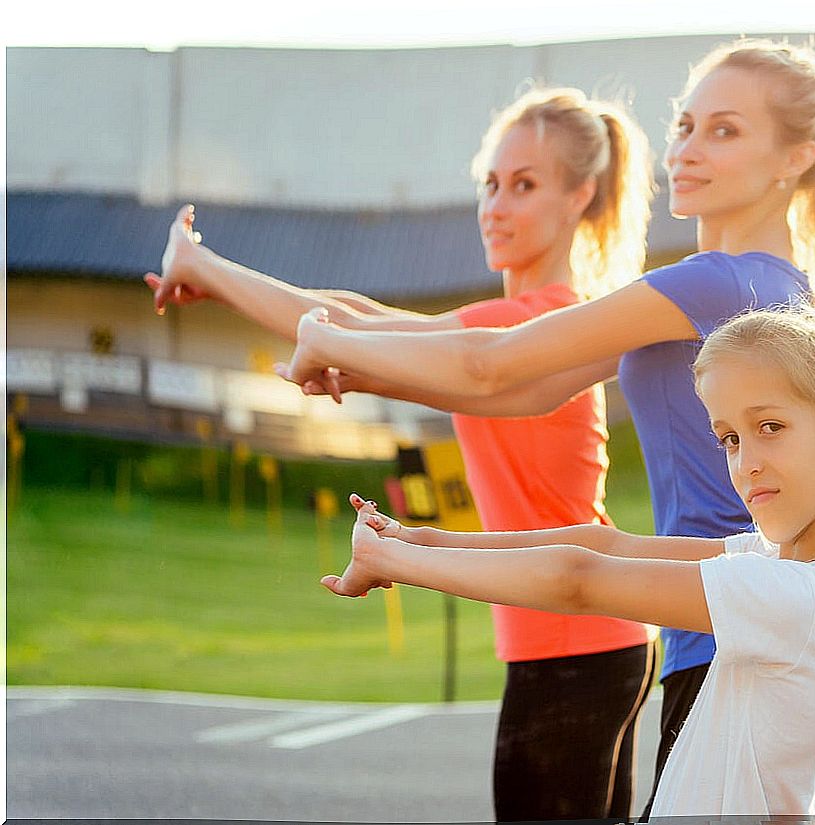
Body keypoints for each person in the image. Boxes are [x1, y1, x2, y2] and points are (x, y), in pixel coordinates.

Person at [274, 38, 815, 813]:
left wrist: (332, 342)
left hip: (724, 633)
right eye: (683, 126)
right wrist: (411, 524)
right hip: (710, 627)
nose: (686, 148)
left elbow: (496, 368)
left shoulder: (722, 284)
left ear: (796, 158)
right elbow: (523, 393)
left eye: (724, 130)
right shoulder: (763, 290)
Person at [147, 87, 658, 821]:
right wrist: (347, 356)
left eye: (525, 185)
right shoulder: (523, 330)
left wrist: (206, 267)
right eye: (489, 183)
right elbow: (368, 327)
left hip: (570, 641)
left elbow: (361, 322)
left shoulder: (538, 321)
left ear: (582, 195)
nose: (497, 205)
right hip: (590, 638)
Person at [326, 307, 815, 817]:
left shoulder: (798, 598)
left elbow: (578, 581)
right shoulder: (782, 567)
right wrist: (413, 541)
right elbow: (607, 545)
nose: (745, 464)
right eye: (730, 439)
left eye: (770, 427)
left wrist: (394, 565)